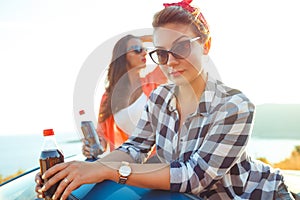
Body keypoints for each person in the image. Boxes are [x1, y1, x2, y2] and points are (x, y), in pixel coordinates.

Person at [36, 1, 296, 199]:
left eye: (181, 47)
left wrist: (107, 171)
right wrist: (79, 170)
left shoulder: (235, 106)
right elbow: (134, 149)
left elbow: (195, 177)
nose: (170, 62)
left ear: (206, 45)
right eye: (161, 54)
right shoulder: (159, 98)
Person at [82, 34, 167, 159]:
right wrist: (91, 147)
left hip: (157, 159)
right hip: (127, 162)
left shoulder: (153, 81)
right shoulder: (109, 97)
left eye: (145, 49)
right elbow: (102, 138)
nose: (144, 53)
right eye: (137, 50)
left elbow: (170, 52)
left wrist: (146, 39)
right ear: (123, 56)